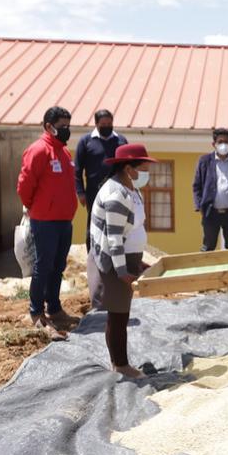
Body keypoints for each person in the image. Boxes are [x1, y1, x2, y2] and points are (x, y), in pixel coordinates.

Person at [89, 144, 158, 379]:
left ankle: (120, 362)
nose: (146, 174)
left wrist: (138, 262)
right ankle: (120, 365)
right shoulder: (116, 194)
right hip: (115, 261)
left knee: (122, 312)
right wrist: (121, 271)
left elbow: (133, 228)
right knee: (118, 314)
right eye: (143, 169)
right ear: (129, 169)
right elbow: (114, 238)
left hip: (128, 258)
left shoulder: (131, 190)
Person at [16, 106, 77, 341]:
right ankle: (36, 313)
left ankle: (54, 308)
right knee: (43, 267)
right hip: (45, 221)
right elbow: (25, 186)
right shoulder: (38, 150)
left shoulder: (64, 152)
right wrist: (36, 207)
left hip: (64, 220)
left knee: (58, 266)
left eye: (68, 126)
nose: (66, 130)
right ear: (48, 127)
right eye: (62, 126)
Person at [75, 109, 128, 310]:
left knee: (116, 228)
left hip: (117, 193)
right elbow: (77, 170)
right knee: (94, 230)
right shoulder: (86, 142)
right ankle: (95, 264)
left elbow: (127, 166)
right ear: (96, 124)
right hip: (94, 195)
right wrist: (80, 192)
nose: (107, 126)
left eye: (109, 123)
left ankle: (116, 265)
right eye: (103, 124)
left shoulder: (121, 141)